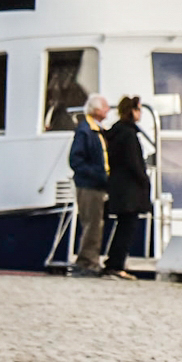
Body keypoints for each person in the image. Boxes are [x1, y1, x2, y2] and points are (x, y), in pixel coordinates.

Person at [104, 96, 152, 281]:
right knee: (127, 228)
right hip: (130, 190)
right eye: (138, 110)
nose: (140, 114)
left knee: (122, 226)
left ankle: (113, 262)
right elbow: (133, 162)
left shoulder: (115, 132)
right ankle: (116, 265)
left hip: (118, 186)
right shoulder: (129, 134)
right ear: (132, 111)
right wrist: (144, 180)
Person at [67, 93, 112, 276]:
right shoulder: (85, 131)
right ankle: (87, 261)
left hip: (98, 185)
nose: (108, 110)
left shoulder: (96, 130)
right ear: (96, 110)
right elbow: (76, 160)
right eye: (105, 107)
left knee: (95, 223)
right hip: (90, 185)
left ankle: (90, 259)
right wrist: (98, 175)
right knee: (92, 224)